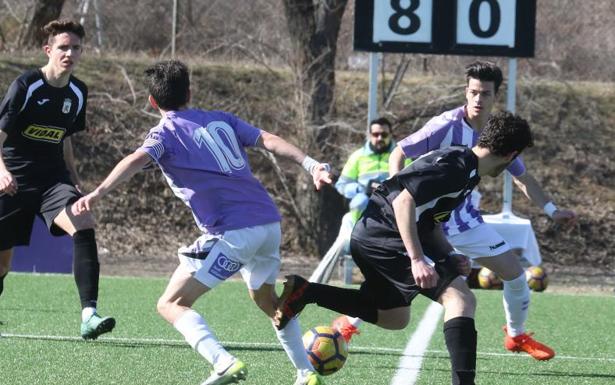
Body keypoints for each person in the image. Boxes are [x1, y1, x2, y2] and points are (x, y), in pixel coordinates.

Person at [71, 60, 332, 385]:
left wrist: (98, 191)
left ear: (152, 101)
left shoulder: (165, 132)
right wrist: (312, 164)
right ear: (189, 92)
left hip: (231, 232)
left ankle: (223, 363)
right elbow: (268, 139)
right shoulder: (222, 119)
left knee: (171, 303)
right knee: (268, 303)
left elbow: (137, 159)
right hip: (268, 224)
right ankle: (306, 374)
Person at [274, 111, 535, 385]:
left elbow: (430, 222)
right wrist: (417, 258)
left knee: (395, 317)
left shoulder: (466, 167)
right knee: (461, 300)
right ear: (511, 155)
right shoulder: (457, 168)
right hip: (385, 238)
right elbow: (403, 202)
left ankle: (307, 291)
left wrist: (449, 255)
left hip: (374, 237)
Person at [383, 60, 577, 360]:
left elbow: (522, 176)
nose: (477, 99)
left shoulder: (497, 132)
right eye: (473, 92)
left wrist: (552, 210)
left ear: (494, 96)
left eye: (485, 93)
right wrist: (393, 193)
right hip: (430, 223)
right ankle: (347, 325)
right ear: (466, 91)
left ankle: (516, 336)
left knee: (515, 274)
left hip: (466, 223)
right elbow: (399, 152)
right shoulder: (445, 124)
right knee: (400, 286)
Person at [0, 19, 115, 339]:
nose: (70, 53)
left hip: (53, 181)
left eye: (76, 47)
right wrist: (2, 171)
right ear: (48, 50)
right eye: (63, 47)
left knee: (84, 221)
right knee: (2, 265)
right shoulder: (26, 86)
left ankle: (89, 315)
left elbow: (64, 139)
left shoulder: (78, 91)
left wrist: (75, 181)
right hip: (15, 181)